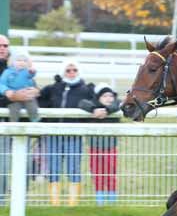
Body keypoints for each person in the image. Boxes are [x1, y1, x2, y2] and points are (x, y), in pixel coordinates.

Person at [38, 60, 95, 206]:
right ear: (63, 72)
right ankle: (55, 204)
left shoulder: (86, 89)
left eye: (74, 70)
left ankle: (72, 204)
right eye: (68, 70)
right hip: (53, 135)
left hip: (74, 135)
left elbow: (97, 103)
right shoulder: (53, 88)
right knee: (54, 168)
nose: (71, 73)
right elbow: (39, 100)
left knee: (73, 168)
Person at [0, 35, 39, 205]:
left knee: (24, 164)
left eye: (5, 45)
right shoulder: (7, 72)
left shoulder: (17, 65)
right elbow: (9, 94)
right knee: (2, 167)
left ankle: (20, 203)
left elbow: (33, 87)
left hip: (20, 125)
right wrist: (12, 96)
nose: (2, 48)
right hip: (4, 125)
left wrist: (34, 91)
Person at [79, 83, 121, 205]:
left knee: (110, 175)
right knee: (97, 175)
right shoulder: (93, 107)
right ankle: (100, 203)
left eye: (110, 95)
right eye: (104, 96)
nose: (108, 98)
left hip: (110, 148)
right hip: (94, 148)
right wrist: (94, 110)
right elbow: (82, 103)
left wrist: (106, 111)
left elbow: (118, 102)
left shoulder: (114, 108)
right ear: (98, 98)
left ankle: (112, 203)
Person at [0, 51, 40, 122]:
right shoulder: (7, 72)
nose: (21, 62)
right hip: (13, 95)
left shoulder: (26, 71)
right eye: (18, 60)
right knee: (14, 109)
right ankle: (13, 124)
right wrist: (6, 91)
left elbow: (31, 75)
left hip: (26, 94)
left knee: (32, 106)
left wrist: (32, 71)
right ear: (12, 62)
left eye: (24, 61)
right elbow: (2, 83)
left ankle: (35, 120)